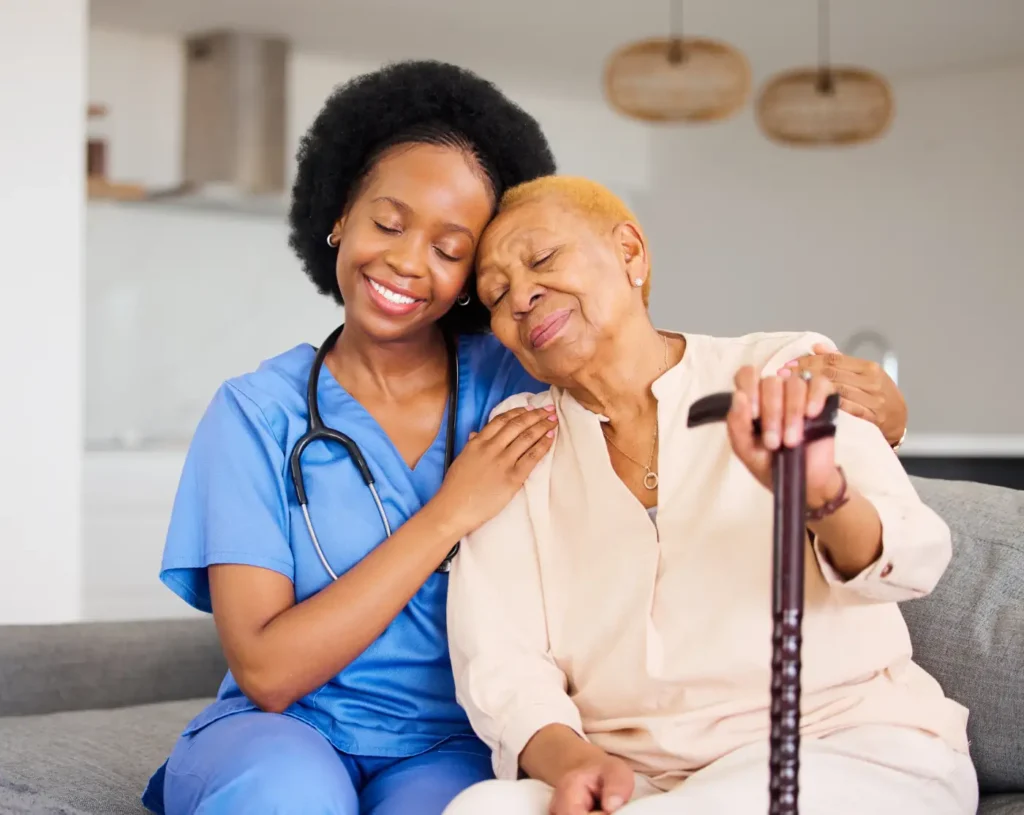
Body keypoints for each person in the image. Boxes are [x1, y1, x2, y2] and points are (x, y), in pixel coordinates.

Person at [140, 59, 910, 814]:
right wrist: (449, 511)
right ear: (339, 215)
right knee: (288, 796)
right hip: (284, 728)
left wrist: (873, 406)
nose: (409, 262)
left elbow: (652, 380)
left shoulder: (520, 375)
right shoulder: (255, 413)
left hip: (454, 744)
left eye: (450, 251)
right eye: (387, 222)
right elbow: (268, 669)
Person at [443, 176, 976, 815]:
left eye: (543, 260)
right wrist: (575, 762)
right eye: (496, 296)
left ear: (630, 254)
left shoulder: (784, 371)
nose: (522, 297)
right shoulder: (517, 443)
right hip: (643, 781)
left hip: (844, 747)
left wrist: (816, 492)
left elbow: (914, 560)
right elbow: (503, 662)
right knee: (482, 808)